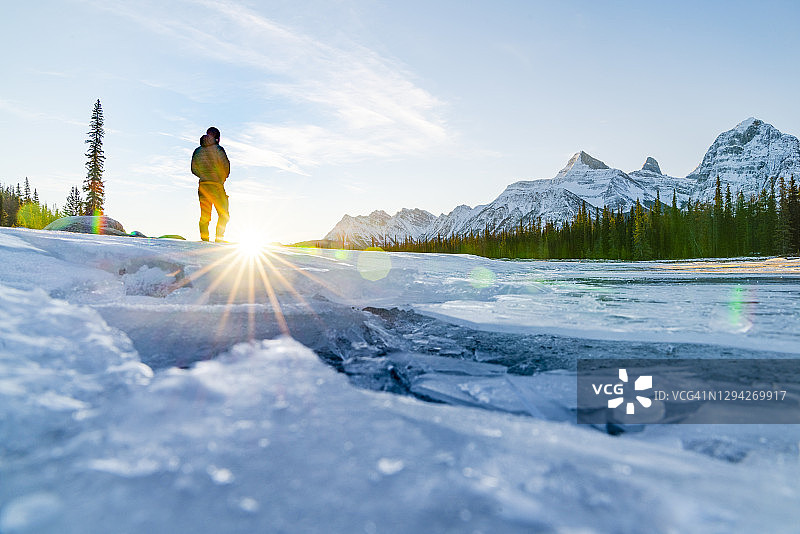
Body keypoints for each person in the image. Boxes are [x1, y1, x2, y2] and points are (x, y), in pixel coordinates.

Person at [191, 127, 230, 242]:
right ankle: (219, 239)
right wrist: (220, 178)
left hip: (203, 186)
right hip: (216, 186)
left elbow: (193, 169)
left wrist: (204, 176)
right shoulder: (218, 149)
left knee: (205, 215)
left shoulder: (197, 151)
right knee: (224, 214)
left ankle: (204, 240)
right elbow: (226, 167)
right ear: (217, 137)